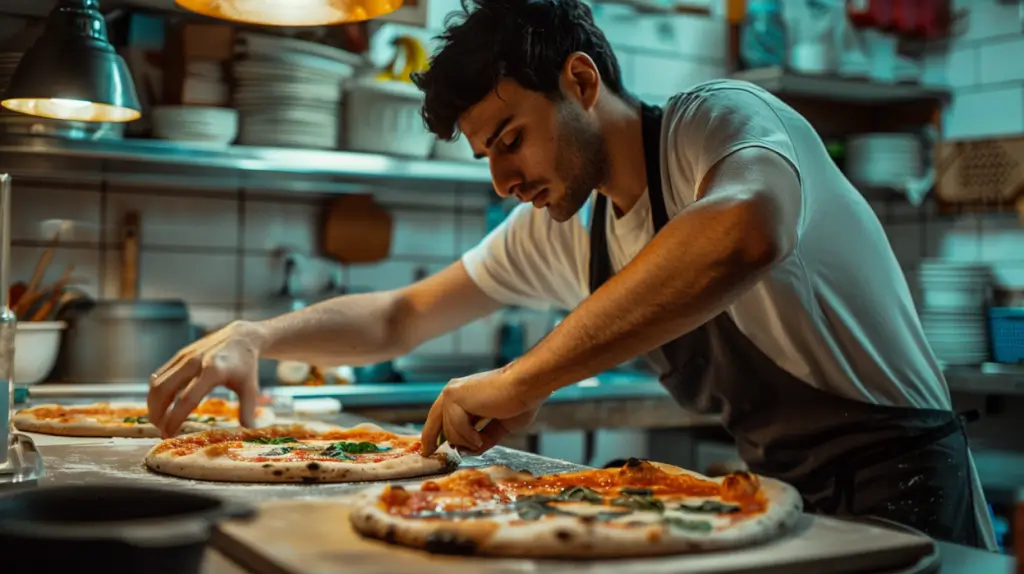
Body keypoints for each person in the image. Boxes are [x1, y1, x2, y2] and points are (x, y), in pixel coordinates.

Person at [148, 0, 996, 550]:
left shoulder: (720, 123)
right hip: (776, 501)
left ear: (581, 82)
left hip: (908, 490)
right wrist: (256, 333)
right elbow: (400, 318)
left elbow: (744, 233)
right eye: (487, 156)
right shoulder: (565, 226)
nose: (502, 180)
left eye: (510, 138)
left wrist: (522, 377)